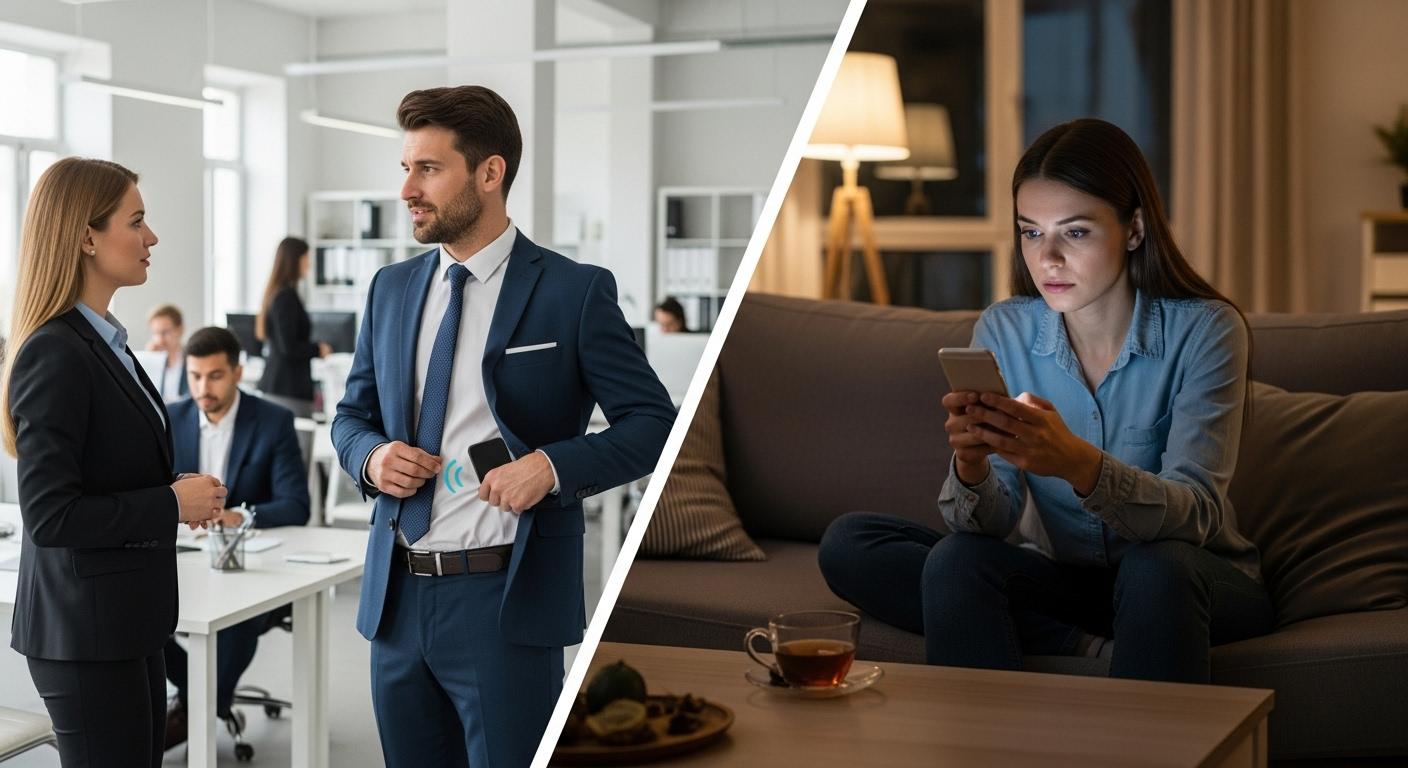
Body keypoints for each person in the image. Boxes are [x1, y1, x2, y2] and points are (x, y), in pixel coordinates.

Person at [818, 118, 1273, 685]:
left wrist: (1077, 463)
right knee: (870, 546)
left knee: (1157, 569)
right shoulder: (1004, 330)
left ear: (1133, 229)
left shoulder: (1206, 330)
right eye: (1031, 233)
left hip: (1187, 579)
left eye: (1075, 233)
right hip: (1064, 583)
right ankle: (1080, 650)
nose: (1047, 258)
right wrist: (973, 465)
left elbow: (1197, 514)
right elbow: (990, 524)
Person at [332, 85, 675, 768]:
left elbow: (653, 423)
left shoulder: (574, 291)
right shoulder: (390, 288)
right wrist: (370, 458)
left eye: (427, 169)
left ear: (490, 173)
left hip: (504, 599)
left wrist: (550, 468)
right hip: (395, 599)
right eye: (405, 168)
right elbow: (350, 416)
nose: (407, 190)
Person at [1, 157, 226, 767]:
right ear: (85, 236)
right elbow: (50, 516)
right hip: (86, 635)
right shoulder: (56, 351)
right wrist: (168, 504)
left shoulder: (107, 343)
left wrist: (171, 488)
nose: (151, 237)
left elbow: (104, 469)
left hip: (125, 623)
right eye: (137, 221)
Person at [160, 326, 310, 749]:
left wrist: (231, 515)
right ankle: (203, 701)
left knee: (239, 616)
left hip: (254, 565)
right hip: (184, 558)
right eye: (195, 376)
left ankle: (191, 711)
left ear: (238, 372)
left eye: (215, 376)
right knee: (139, 607)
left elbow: (296, 504)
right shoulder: (172, 418)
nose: (203, 388)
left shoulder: (273, 420)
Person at [255, 236, 331, 402]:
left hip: (281, 385)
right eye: (306, 258)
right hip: (286, 387)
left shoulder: (279, 293)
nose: (309, 265)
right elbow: (288, 346)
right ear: (294, 260)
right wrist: (318, 349)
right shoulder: (285, 297)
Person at [146, 303, 188, 402]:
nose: (160, 340)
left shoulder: (190, 360)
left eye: (165, 332)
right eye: (156, 333)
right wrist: (148, 360)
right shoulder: (150, 361)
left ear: (180, 330)